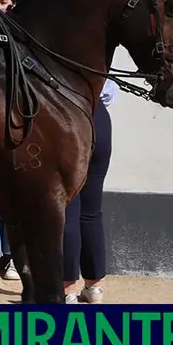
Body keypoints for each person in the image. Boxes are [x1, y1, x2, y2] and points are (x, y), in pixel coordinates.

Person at [64, 78, 117, 303]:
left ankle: (67, 290)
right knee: (91, 210)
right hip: (99, 115)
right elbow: (111, 92)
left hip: (70, 115)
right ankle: (94, 287)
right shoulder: (100, 46)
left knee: (68, 209)